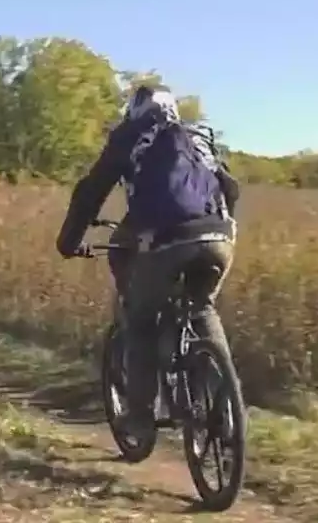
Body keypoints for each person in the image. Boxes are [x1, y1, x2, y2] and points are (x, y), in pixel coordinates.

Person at [56, 85, 240, 438]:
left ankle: (140, 416)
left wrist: (68, 242)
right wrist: (223, 229)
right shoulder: (197, 137)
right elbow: (230, 188)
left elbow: (90, 192)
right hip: (219, 234)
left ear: (135, 112)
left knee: (139, 319)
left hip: (167, 239)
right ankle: (226, 409)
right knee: (202, 308)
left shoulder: (130, 137)